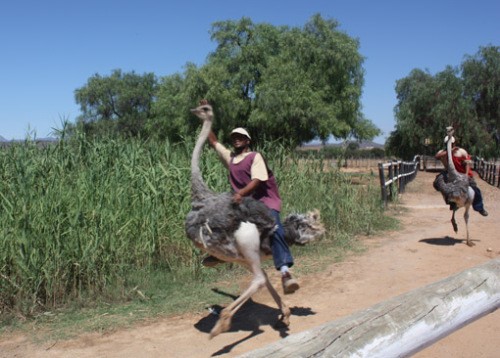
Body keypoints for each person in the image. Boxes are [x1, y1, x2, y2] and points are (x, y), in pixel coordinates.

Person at [202, 126, 300, 294]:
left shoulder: (255, 157)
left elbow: (256, 181)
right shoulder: (231, 158)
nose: (236, 139)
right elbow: (214, 141)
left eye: (241, 136)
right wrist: (206, 121)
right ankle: (220, 255)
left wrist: (240, 193)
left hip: (264, 201)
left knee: (274, 228)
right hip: (244, 204)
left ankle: (285, 274)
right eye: (234, 137)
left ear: (248, 141)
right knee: (218, 221)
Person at [434, 140, 488, 216]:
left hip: (462, 173)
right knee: (438, 183)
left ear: (454, 143)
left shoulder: (461, 152)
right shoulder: (443, 152)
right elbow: (437, 156)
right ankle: (451, 202)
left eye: (451, 144)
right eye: (447, 144)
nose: (449, 145)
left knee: (475, 189)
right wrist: (449, 151)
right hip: (450, 173)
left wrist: (466, 175)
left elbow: (467, 163)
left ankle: (480, 208)